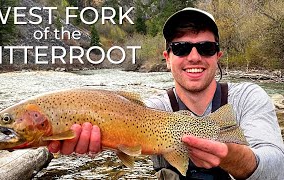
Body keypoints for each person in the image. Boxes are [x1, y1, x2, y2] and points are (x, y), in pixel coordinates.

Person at [47, 7, 284, 179]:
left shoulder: (246, 98)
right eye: (180, 48)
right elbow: (119, 128)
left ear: (218, 56)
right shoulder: (153, 110)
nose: (194, 56)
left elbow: (278, 167)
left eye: (206, 47)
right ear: (167, 58)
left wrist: (232, 156)